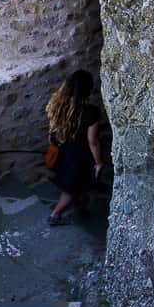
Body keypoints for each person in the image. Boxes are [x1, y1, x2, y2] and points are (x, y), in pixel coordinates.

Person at [45, 69, 102, 226]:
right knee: (71, 188)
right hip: (80, 156)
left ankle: (81, 205)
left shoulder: (57, 105)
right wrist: (98, 162)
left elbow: (52, 132)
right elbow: (93, 141)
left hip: (63, 150)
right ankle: (55, 215)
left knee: (76, 183)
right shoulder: (91, 112)